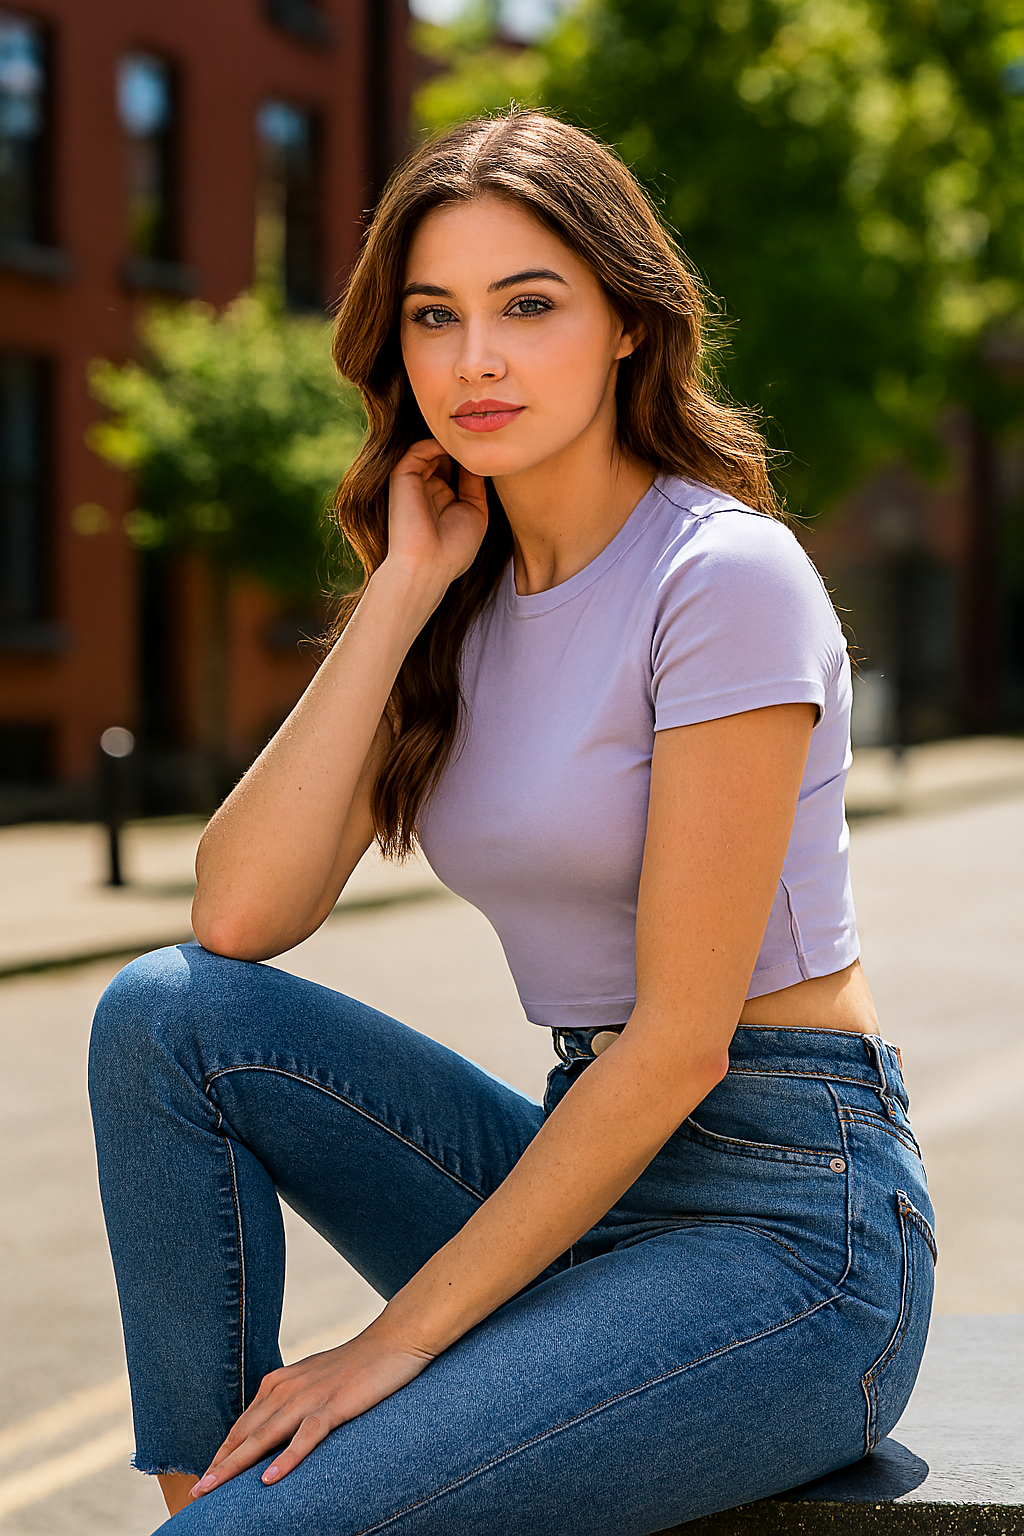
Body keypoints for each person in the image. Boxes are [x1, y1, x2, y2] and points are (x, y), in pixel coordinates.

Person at [89, 111, 935, 1536]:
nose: (476, 359)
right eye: (436, 316)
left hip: (791, 1231)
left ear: (624, 322)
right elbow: (233, 922)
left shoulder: (722, 577)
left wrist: (385, 1349)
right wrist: (407, 585)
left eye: (528, 305)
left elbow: (678, 1045)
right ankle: (210, 1499)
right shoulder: (463, 596)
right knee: (168, 1015)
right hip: (587, 1171)